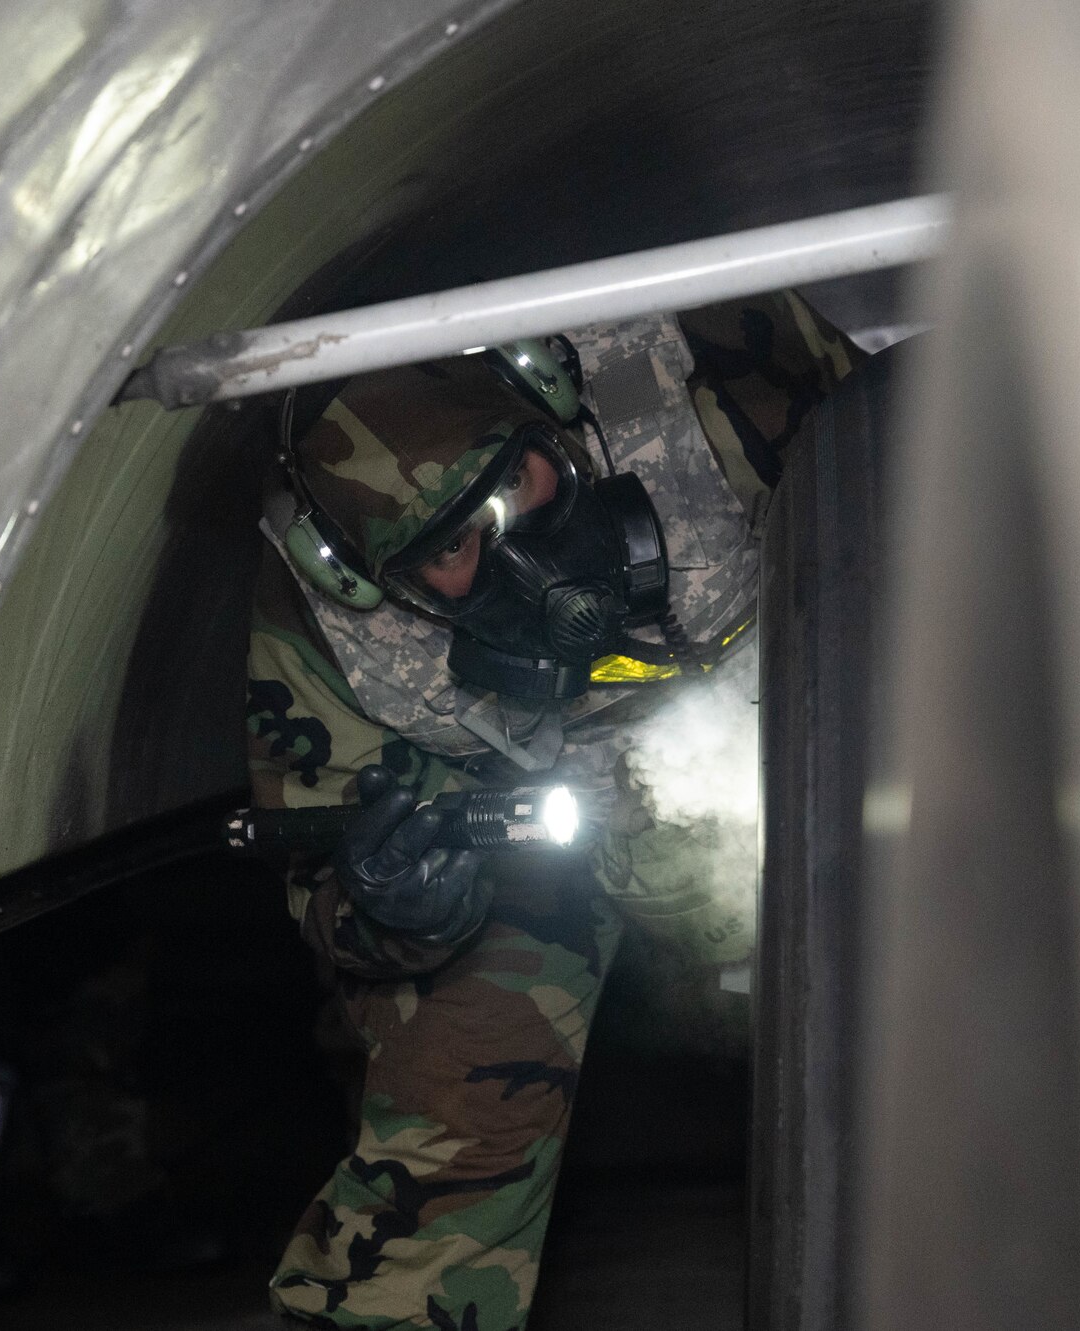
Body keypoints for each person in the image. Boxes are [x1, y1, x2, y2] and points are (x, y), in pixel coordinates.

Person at [245, 293, 862, 1329]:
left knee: (956, 984)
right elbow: (321, 872)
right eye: (453, 550)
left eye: (514, 490)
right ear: (385, 583)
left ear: (547, 410)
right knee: (456, 1102)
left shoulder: (706, 367)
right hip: (540, 825)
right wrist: (397, 905)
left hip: (817, 704)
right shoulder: (322, 636)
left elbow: (930, 462)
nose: (515, 552)